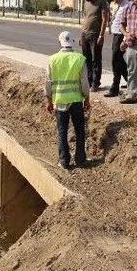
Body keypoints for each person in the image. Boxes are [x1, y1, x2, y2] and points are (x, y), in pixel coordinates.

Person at [45, 31, 91, 170]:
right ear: (73, 42)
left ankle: (64, 160)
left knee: (62, 131)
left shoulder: (52, 59)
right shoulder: (80, 58)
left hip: (59, 101)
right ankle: (80, 159)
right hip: (76, 100)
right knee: (79, 130)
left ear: (60, 42)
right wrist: (87, 99)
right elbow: (84, 82)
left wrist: (48, 100)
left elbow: (48, 82)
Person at [78, 0, 109, 91]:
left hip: (95, 35)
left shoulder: (101, 2)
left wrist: (101, 35)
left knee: (96, 59)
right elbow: (86, 18)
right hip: (85, 35)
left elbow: (105, 20)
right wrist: (81, 34)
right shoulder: (85, 3)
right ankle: (89, 81)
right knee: (86, 60)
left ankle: (96, 83)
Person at [104, 0, 130, 97]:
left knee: (115, 61)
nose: (114, 0)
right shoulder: (117, 5)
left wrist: (125, 39)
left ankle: (115, 88)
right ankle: (130, 81)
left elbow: (128, 24)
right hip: (115, 35)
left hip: (121, 36)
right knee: (120, 61)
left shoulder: (127, 6)